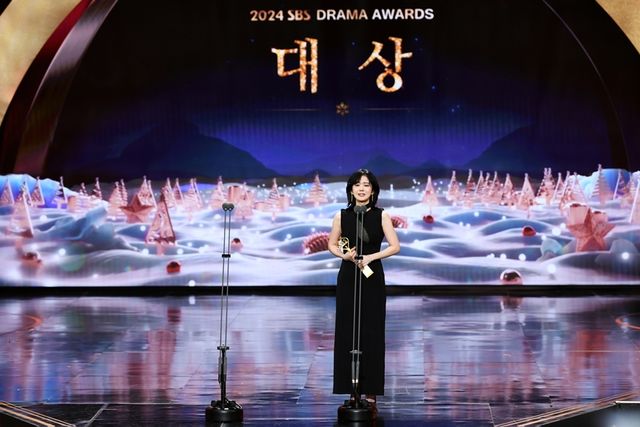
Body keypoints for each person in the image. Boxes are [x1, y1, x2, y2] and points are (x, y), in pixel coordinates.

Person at [328, 169, 400, 410]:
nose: (361, 188)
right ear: (351, 189)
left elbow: (395, 246)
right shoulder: (341, 216)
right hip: (348, 276)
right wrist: (344, 255)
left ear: (373, 190)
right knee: (347, 330)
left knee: (371, 331)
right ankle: (352, 389)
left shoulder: (381, 215)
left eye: (366, 185)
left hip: (371, 275)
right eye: (357, 184)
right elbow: (332, 244)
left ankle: (370, 391)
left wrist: (370, 257)